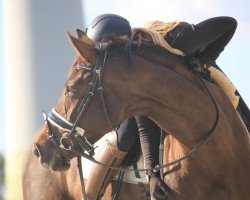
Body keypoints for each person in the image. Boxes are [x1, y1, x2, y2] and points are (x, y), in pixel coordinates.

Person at [84, 13, 239, 200]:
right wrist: (153, 176)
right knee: (125, 135)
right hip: (161, 105)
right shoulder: (135, 73)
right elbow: (145, 128)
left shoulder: (179, 39)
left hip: (204, 90)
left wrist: (204, 59)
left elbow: (229, 24)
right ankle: (91, 194)